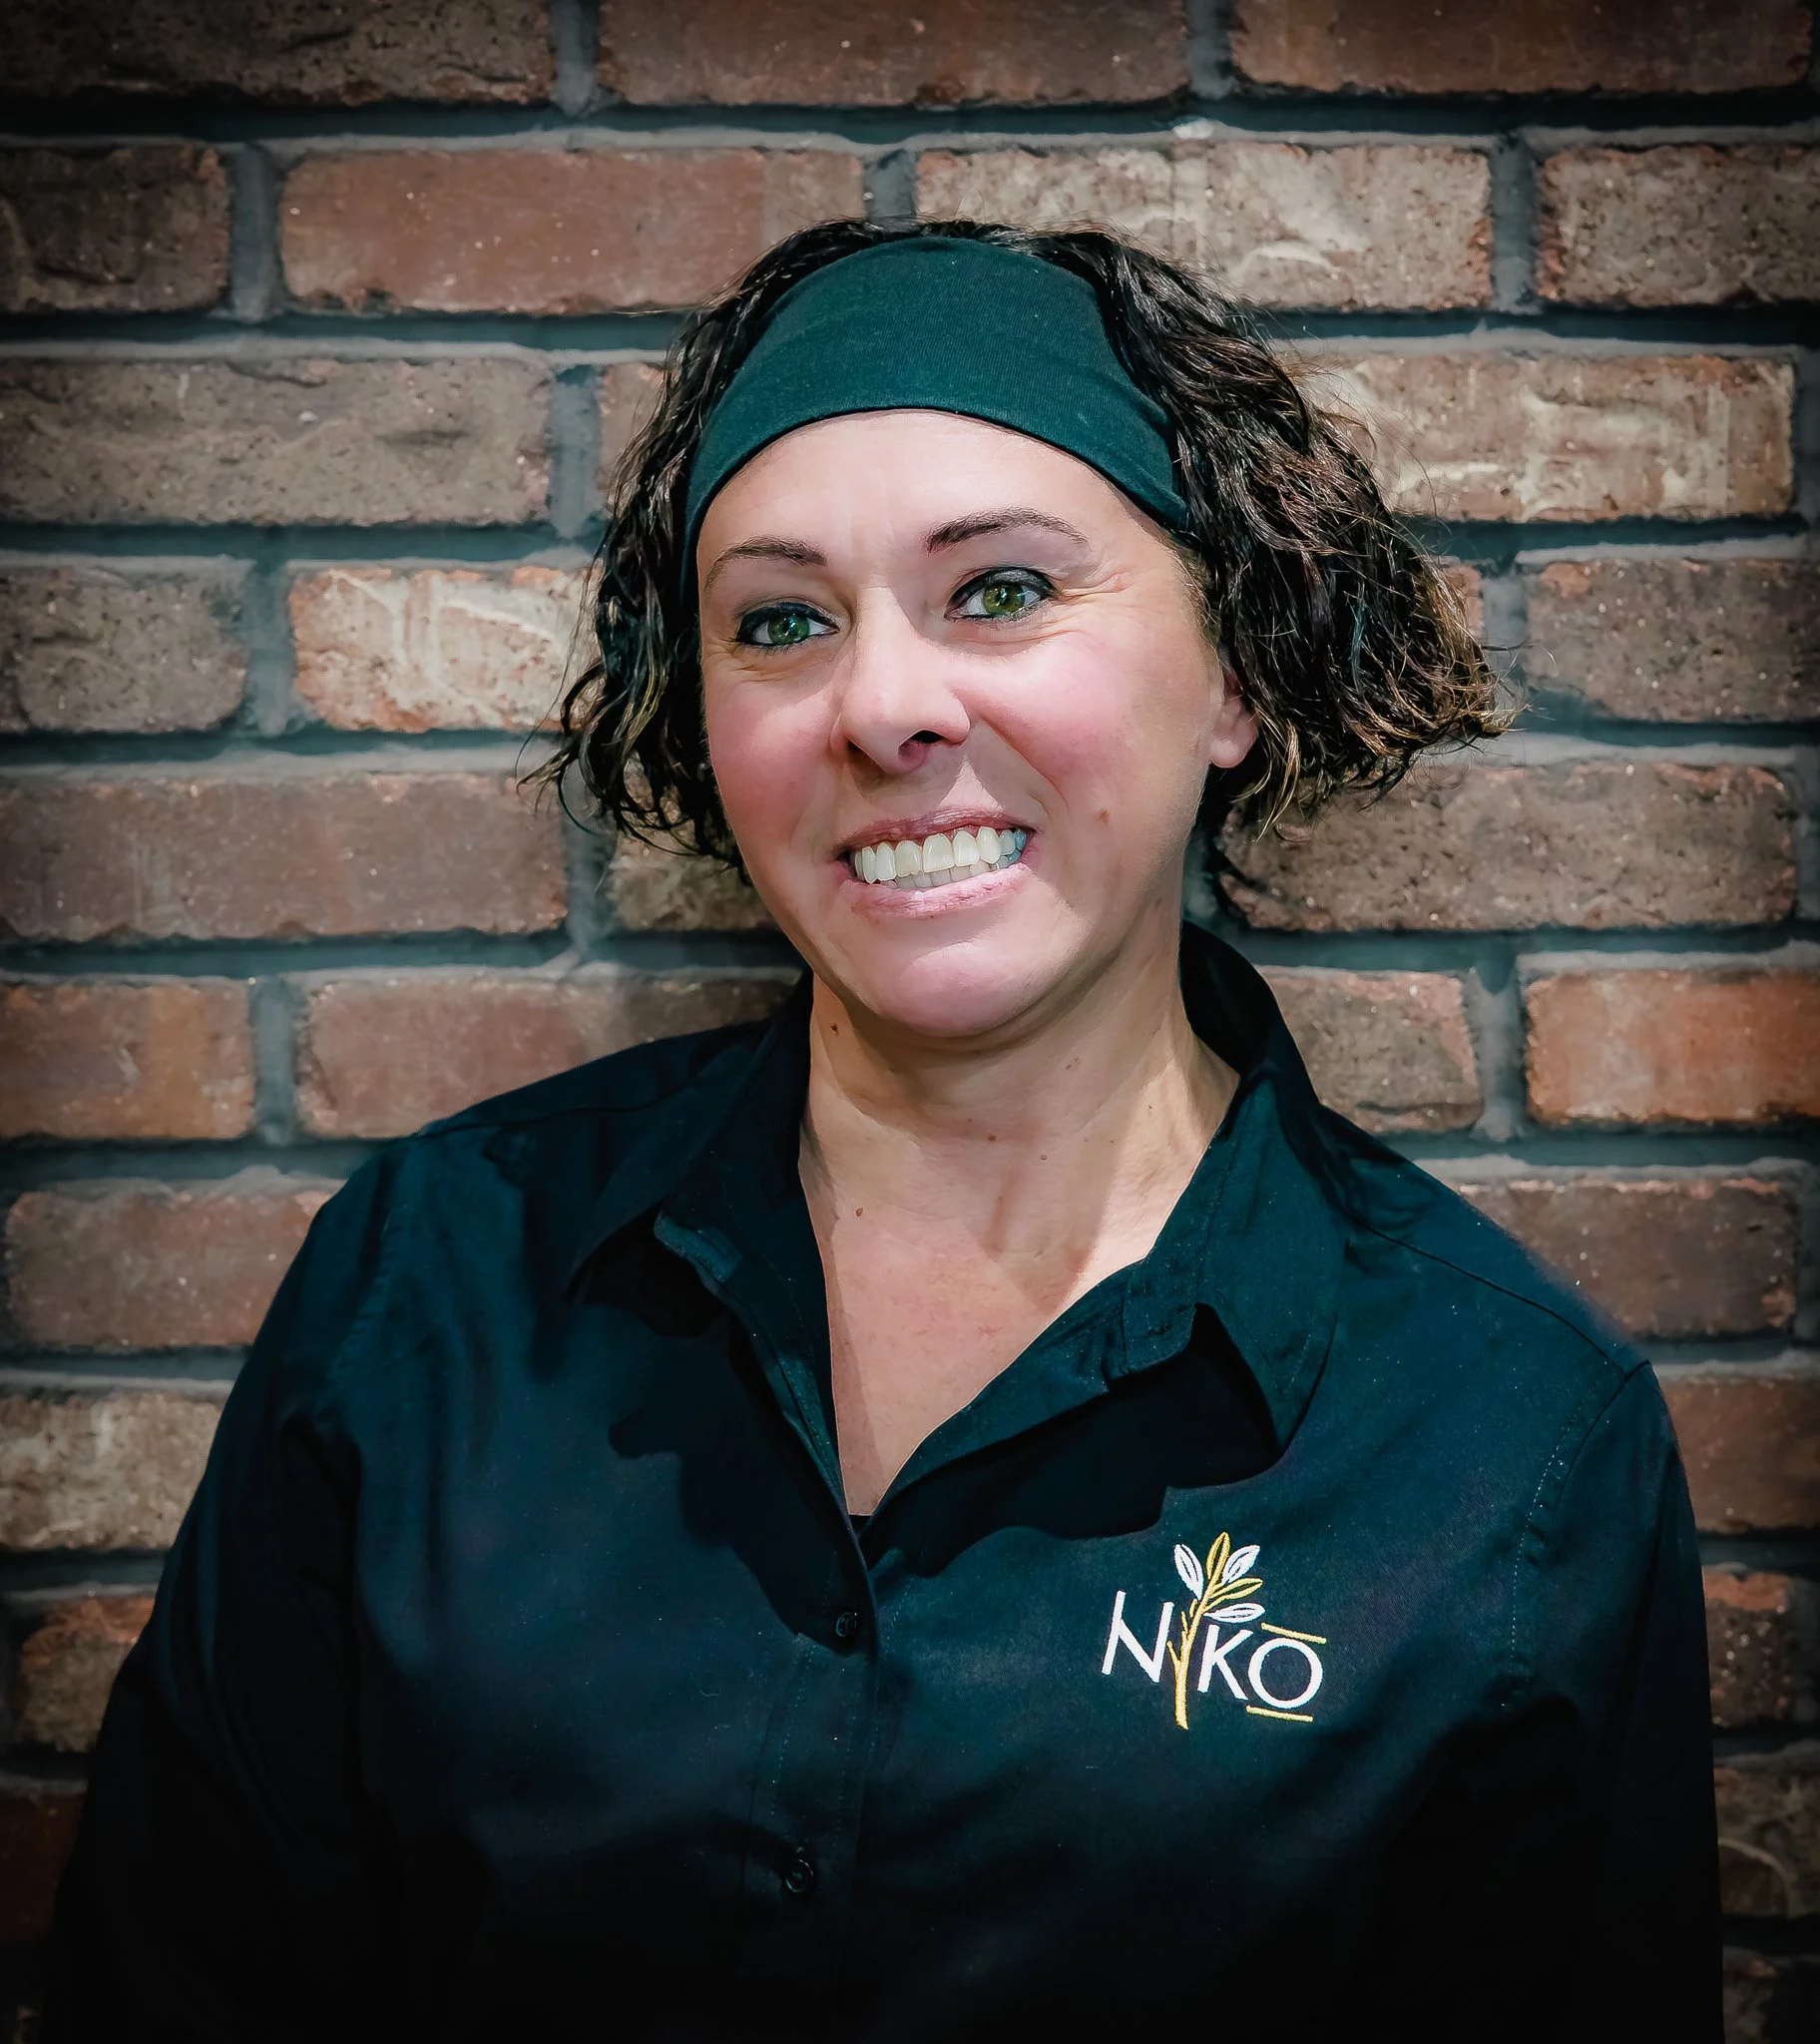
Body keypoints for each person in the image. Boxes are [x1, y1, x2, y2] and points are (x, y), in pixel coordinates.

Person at [46, 222, 1717, 2040]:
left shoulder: (1511, 1435)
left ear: (1235, 674)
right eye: (782, 621)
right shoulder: (429, 1288)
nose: (883, 704)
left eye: (999, 590)